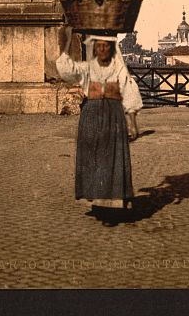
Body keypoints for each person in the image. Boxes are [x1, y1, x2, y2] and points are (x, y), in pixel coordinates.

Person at [55, 28, 143, 220]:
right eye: (99, 46)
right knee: (94, 157)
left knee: (111, 157)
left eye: (106, 46)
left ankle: (114, 202)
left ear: (111, 49)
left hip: (114, 116)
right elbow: (66, 69)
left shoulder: (118, 68)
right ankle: (97, 199)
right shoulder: (88, 68)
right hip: (91, 116)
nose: (102, 49)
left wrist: (132, 123)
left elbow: (129, 91)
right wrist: (68, 42)